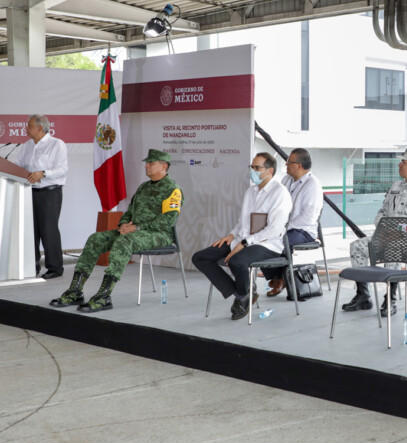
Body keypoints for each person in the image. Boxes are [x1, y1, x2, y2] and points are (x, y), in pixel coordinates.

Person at [49, 149, 182, 313]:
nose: (146, 166)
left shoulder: (172, 189)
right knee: (95, 239)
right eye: (147, 163)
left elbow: (168, 220)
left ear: (163, 166)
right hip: (133, 231)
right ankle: (75, 291)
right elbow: (129, 211)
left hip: (159, 235)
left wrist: (136, 228)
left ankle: (104, 296)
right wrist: (124, 224)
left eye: (151, 163)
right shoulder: (144, 187)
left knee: (124, 242)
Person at [192, 152, 292, 320]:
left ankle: (242, 296)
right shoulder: (251, 191)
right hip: (242, 240)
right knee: (200, 257)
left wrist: (246, 242)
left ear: (270, 170)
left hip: (268, 244)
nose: (253, 171)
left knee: (236, 260)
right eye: (252, 167)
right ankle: (244, 292)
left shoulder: (280, 193)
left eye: (257, 168)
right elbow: (242, 221)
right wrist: (231, 235)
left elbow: (274, 230)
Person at [342, 148, 407, 317]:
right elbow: (382, 212)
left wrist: (397, 231)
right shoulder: (396, 186)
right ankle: (363, 294)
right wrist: (385, 229)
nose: (399, 165)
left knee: (393, 247)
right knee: (357, 246)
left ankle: (390, 298)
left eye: (404, 163)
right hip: (386, 235)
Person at [14, 114, 68, 279]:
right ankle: (32, 266)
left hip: (49, 192)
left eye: (29, 126)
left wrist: (43, 173)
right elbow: (19, 165)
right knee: (31, 230)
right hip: (29, 192)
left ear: (40, 128)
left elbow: (62, 169)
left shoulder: (56, 144)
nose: (26, 128)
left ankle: (55, 268)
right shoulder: (27, 145)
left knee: (48, 229)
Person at [265, 148, 323, 298]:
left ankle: (281, 279)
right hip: (285, 227)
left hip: (304, 231)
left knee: (283, 240)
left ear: (298, 165)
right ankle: (276, 277)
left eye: (289, 162)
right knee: (263, 238)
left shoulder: (313, 184)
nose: (286, 164)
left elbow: (308, 217)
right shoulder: (286, 180)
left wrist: (283, 228)